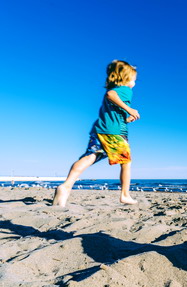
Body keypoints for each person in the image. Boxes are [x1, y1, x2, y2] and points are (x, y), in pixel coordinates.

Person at [53, 60, 140, 207]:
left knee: (90, 156)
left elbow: (113, 111)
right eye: (134, 79)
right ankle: (125, 195)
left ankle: (66, 185)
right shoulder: (125, 89)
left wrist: (126, 118)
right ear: (126, 78)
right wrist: (130, 109)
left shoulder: (117, 89)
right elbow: (110, 95)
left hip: (101, 129)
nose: (135, 83)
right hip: (115, 133)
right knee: (126, 162)